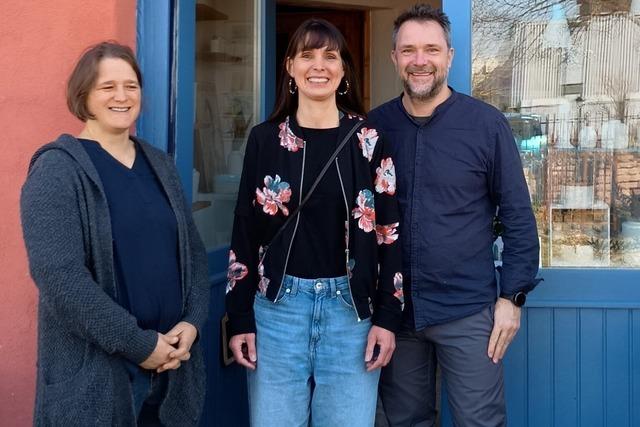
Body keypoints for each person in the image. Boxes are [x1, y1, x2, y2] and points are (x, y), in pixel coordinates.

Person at [225, 18, 404, 427]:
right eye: (307, 55)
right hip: (277, 312)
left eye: (330, 56)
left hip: (351, 313)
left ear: (343, 71)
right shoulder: (265, 140)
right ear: (290, 67)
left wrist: (388, 318)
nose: (318, 65)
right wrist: (239, 318)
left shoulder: (369, 140)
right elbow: (245, 231)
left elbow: (389, 233)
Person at [20, 42, 210, 426]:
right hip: (100, 381)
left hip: (174, 370)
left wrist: (192, 322)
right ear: (83, 96)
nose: (122, 96)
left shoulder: (159, 164)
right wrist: (140, 346)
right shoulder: (57, 172)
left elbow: (194, 255)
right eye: (107, 87)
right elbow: (62, 281)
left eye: (131, 86)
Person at [369, 4, 540, 427]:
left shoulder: (486, 125)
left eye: (431, 49)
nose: (420, 60)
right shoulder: (373, 128)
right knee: (404, 422)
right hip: (396, 314)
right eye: (409, 50)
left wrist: (511, 297)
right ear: (395, 58)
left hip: (468, 310)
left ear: (449, 56)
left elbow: (518, 216)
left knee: (479, 423)